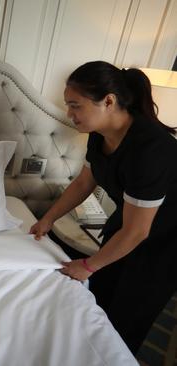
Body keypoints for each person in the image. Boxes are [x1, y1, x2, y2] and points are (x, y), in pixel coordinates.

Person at [29, 60, 177, 353]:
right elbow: (85, 183)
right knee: (98, 304)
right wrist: (48, 219)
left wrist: (88, 265)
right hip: (129, 225)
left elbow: (138, 232)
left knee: (125, 322)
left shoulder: (150, 150)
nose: (69, 114)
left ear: (108, 101)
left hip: (166, 242)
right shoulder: (99, 136)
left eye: (75, 106)